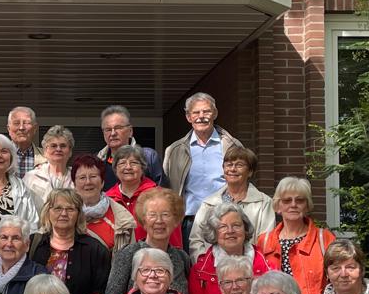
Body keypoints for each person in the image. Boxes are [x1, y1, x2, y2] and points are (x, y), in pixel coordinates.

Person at [162, 93, 239, 244]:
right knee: (191, 266)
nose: (201, 116)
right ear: (188, 117)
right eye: (196, 112)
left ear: (215, 114)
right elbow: (167, 188)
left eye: (206, 111)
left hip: (223, 220)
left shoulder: (232, 146)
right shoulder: (174, 150)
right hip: (189, 222)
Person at [28, 187, 111, 294]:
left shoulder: (95, 249)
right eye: (58, 208)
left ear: (78, 214)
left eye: (70, 209)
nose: (64, 213)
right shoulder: (33, 244)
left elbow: (100, 291)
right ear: (48, 212)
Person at [253, 177, 335, 294]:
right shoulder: (264, 241)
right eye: (286, 200)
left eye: (299, 200)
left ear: (307, 205)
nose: (293, 205)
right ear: (278, 206)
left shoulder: (324, 239)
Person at [104, 189, 189, 294]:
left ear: (175, 221)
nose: (159, 221)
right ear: (143, 221)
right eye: (152, 215)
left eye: (165, 215)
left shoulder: (182, 258)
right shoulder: (129, 253)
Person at [187, 144, 275, 255]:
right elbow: (196, 240)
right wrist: (206, 266)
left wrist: (253, 266)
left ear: (250, 172)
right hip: (213, 269)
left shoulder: (264, 203)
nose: (232, 169)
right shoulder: (209, 203)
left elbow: (267, 242)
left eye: (239, 165)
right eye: (229, 165)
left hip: (250, 267)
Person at [188, 205, 270, 294]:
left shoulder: (268, 267)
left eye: (236, 225)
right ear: (214, 232)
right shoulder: (199, 271)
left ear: (245, 229)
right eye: (222, 227)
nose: (230, 231)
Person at [106, 145, 168, 246]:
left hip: (152, 257)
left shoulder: (159, 196)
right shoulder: (108, 199)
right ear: (115, 169)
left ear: (142, 168)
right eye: (122, 163)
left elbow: (172, 236)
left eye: (134, 163)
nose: (128, 167)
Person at [73, 153, 135, 252]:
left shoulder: (123, 219)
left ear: (102, 182)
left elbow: (129, 260)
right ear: (74, 184)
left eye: (93, 176)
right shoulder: (65, 215)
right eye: (82, 177)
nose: (88, 182)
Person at [96, 105, 166, 188]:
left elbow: (163, 193)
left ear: (130, 131)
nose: (113, 133)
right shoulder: (97, 162)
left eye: (118, 128)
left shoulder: (148, 157)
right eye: (108, 129)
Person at [23, 124, 75, 210]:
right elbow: (25, 210)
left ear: (70, 152)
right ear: (45, 151)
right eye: (53, 146)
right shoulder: (31, 177)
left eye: (63, 146)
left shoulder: (77, 177)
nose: (58, 149)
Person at [6, 105, 41, 178]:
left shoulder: (47, 157)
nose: (21, 128)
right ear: (9, 129)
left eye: (26, 123)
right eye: (16, 123)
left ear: (35, 128)